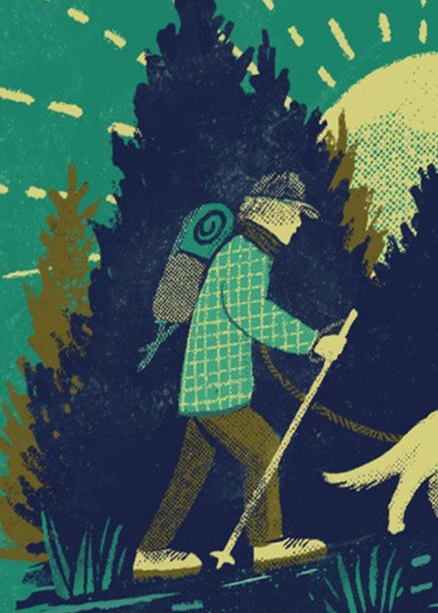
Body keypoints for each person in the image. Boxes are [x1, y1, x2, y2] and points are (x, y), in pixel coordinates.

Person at [133, 173, 346, 581]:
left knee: (191, 471)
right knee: (264, 450)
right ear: (273, 212)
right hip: (217, 387)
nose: (298, 225)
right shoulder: (246, 254)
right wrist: (313, 342)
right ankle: (267, 545)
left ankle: (151, 552)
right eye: (295, 215)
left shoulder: (244, 252)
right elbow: (252, 313)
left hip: (206, 383)